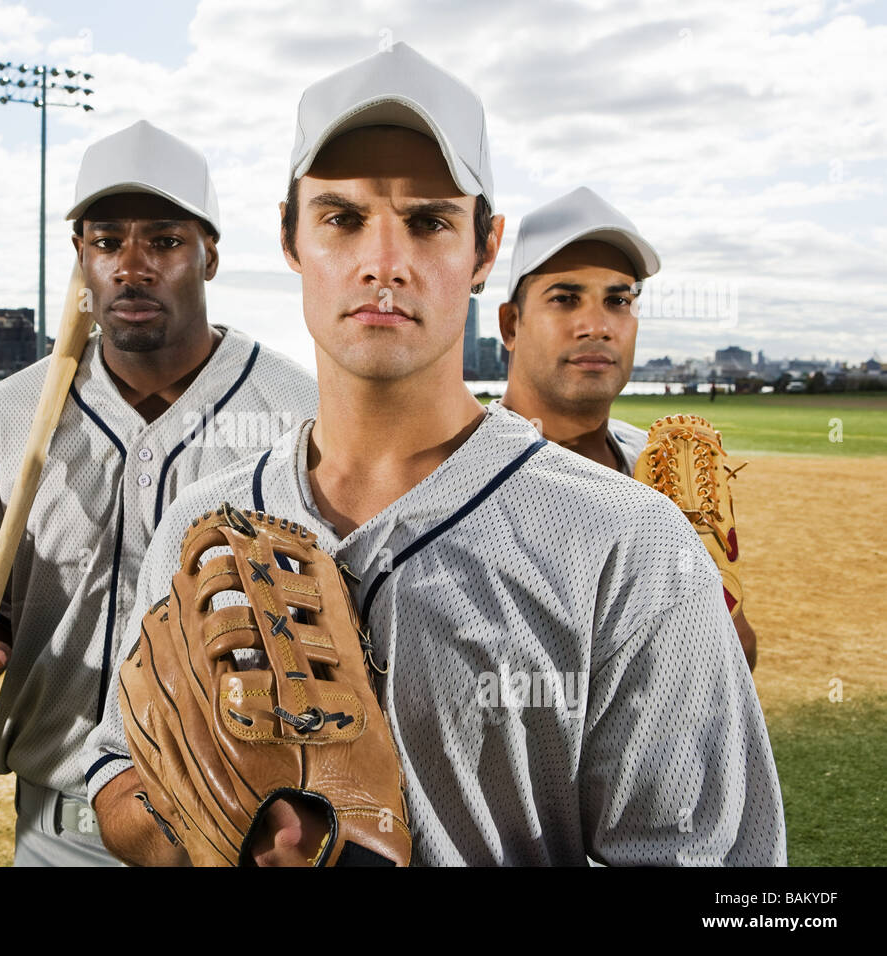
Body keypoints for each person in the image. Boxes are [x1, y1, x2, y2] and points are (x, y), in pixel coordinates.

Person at [82, 44, 785, 866]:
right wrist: (208, 810)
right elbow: (117, 779)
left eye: (429, 221)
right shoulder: (200, 526)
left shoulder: (630, 543)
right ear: (289, 237)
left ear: (484, 250)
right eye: (342, 218)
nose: (385, 263)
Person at [0, 121, 318, 866]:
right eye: (107, 242)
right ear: (81, 258)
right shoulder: (9, 415)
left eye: (163, 241)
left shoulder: (298, 414)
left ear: (211, 255)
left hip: (245, 825)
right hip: (59, 826)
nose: (132, 267)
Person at [496, 187, 758, 669]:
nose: (597, 325)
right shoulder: (462, 472)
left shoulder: (658, 457)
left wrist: (727, 624)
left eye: (618, 300)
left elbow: (738, 654)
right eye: (566, 298)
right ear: (511, 325)